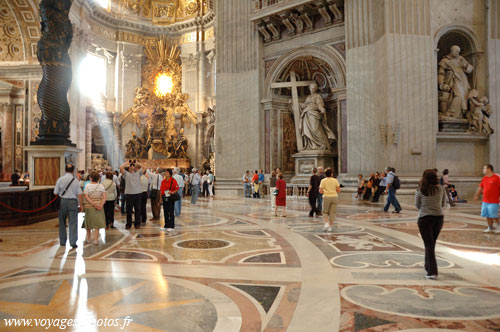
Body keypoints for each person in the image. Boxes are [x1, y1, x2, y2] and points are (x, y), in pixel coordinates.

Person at [415, 169, 446, 280]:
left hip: (425, 218)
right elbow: (443, 203)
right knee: (431, 244)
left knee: (429, 245)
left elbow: (417, 205)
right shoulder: (441, 189)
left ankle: (432, 272)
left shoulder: (420, 189)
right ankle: (428, 266)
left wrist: (426, 208)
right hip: (439, 218)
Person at [54, 164, 83, 249]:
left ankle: (63, 241)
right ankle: (73, 242)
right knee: (73, 222)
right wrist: (81, 205)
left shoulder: (60, 179)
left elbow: (55, 192)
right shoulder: (76, 181)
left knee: (62, 222)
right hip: (73, 202)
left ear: (65, 170)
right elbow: (80, 194)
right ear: (73, 170)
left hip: (62, 201)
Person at [473, 164, 500, 233]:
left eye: (484, 169)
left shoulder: (497, 177)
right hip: (485, 201)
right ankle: (490, 227)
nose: (483, 170)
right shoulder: (484, 178)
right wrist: (477, 195)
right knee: (487, 215)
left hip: (494, 201)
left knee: (494, 215)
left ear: (489, 169)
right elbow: (480, 187)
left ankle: (499, 224)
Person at [82, 171, 106, 245]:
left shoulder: (87, 186)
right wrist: (101, 204)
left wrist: (93, 204)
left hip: (89, 206)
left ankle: (88, 239)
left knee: (88, 223)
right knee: (97, 224)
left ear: (90, 178)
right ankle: (95, 240)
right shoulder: (101, 186)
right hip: (99, 206)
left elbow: (86, 196)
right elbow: (104, 197)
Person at [120, 160, 144, 229]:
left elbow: (145, 167)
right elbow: (121, 167)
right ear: (129, 168)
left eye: (133, 167)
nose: (132, 168)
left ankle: (137, 223)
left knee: (138, 210)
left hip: (137, 194)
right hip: (129, 194)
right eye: (131, 167)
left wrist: (137, 162)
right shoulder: (126, 174)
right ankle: (129, 224)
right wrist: (128, 162)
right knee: (129, 210)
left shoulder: (138, 173)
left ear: (135, 168)